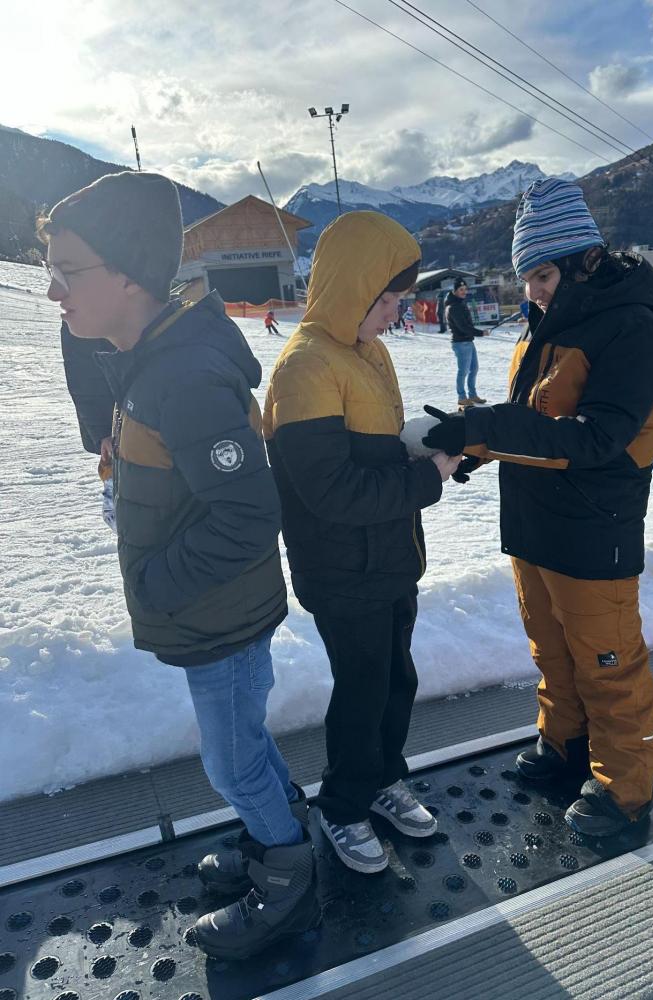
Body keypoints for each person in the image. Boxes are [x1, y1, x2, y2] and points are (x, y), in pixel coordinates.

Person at [38, 171, 317, 959]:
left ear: (129, 275)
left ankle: (289, 883)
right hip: (211, 608)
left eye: (68, 272)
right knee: (243, 744)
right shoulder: (144, 358)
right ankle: (277, 832)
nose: (53, 292)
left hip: (217, 613)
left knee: (230, 764)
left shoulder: (182, 375)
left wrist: (156, 585)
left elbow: (248, 514)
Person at [423, 178, 653, 837]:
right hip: (534, 523)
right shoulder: (545, 328)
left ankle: (624, 788)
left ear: (582, 260)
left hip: (594, 528)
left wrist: (483, 429)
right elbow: (535, 420)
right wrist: (472, 447)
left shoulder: (630, 329)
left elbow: (593, 439)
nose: (531, 291)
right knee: (552, 649)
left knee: (607, 660)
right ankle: (566, 743)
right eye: (526, 278)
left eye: (542, 275)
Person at [263, 211, 460, 874]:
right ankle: (343, 805)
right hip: (342, 569)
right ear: (353, 290)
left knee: (395, 680)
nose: (398, 311)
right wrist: (426, 478)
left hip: (391, 557)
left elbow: (372, 449)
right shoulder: (305, 367)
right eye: (388, 299)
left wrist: (428, 447)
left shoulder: (367, 352)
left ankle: (382, 779)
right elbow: (332, 491)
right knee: (362, 689)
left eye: (400, 298)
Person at [59, 319, 117, 529]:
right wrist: (103, 430)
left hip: (153, 419)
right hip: (121, 430)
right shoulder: (85, 309)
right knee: (128, 515)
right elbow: (83, 375)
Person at [445, 277, 488, 408]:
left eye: (465, 289)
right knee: (463, 371)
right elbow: (463, 327)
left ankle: (472, 395)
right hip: (461, 343)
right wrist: (480, 333)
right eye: (461, 289)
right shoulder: (453, 307)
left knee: (474, 369)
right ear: (455, 291)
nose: (464, 292)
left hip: (468, 341)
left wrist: (477, 333)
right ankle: (462, 397)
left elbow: (467, 326)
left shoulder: (460, 304)